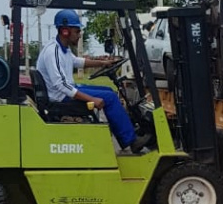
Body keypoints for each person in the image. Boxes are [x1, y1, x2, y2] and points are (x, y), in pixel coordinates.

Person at [36, 9, 150, 153]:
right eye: (77, 32)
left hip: (64, 93)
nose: (79, 36)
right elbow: (61, 85)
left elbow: (77, 61)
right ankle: (131, 141)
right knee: (109, 97)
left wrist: (103, 63)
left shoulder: (62, 49)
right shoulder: (53, 52)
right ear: (65, 31)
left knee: (108, 92)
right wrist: (92, 99)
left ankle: (127, 136)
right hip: (60, 98)